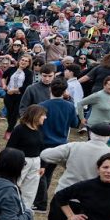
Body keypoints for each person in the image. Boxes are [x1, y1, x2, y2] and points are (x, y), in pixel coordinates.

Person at [34, 79, 82, 211]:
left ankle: (40, 202)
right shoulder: (69, 106)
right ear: (65, 91)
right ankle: (40, 199)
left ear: (50, 89)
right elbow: (74, 123)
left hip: (44, 143)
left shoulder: (42, 105)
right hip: (61, 145)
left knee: (40, 173)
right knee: (48, 173)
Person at [6, 105, 48, 209]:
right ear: (36, 115)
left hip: (36, 163)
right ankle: (8, 207)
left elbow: (41, 148)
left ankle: (25, 211)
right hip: (21, 161)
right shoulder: (19, 129)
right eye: (43, 115)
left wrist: (43, 165)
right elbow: (10, 147)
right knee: (14, 185)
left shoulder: (39, 130)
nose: (45, 117)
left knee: (30, 191)